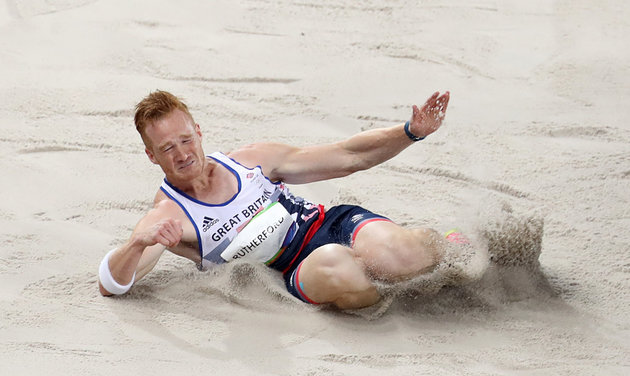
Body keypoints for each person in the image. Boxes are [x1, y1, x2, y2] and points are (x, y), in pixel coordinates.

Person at [98, 90, 455, 310]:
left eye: (186, 139)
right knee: (341, 268)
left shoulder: (252, 159)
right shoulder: (169, 215)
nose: (183, 154)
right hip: (291, 271)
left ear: (199, 132)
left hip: (326, 225)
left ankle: (453, 252)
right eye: (167, 148)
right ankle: (395, 292)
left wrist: (410, 132)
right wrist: (138, 244)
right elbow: (111, 284)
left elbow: (349, 157)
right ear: (151, 155)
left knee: (399, 254)